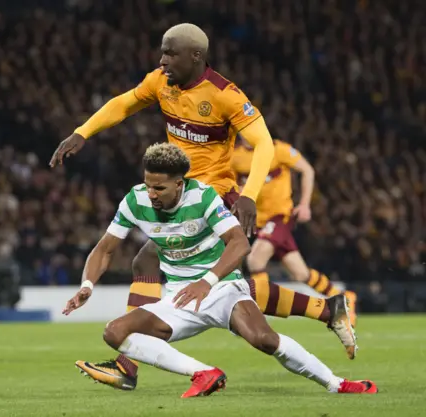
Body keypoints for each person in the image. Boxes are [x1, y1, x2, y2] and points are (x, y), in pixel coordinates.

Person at [50, 23, 356, 387]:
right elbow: (125, 103)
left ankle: (127, 365)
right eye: (162, 52)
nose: (162, 60)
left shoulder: (225, 94)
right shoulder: (161, 81)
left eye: (170, 53)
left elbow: (264, 144)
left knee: (154, 258)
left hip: (212, 194)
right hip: (181, 193)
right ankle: (327, 308)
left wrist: (248, 195)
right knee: (228, 283)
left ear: (196, 56)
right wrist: (83, 132)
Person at [63, 143, 376, 397]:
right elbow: (104, 248)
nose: (152, 194)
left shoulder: (203, 197)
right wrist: (87, 285)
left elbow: (238, 243)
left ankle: (337, 383)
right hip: (179, 299)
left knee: (264, 340)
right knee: (114, 331)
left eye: (159, 188)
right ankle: (204, 373)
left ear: (179, 182)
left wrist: (207, 281)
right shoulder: (136, 200)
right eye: (148, 185)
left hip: (223, 288)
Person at [233, 137, 359, 337]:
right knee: (300, 274)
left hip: (280, 216)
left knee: (255, 259)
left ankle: (257, 314)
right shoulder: (235, 156)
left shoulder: (278, 149)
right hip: (259, 222)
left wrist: (305, 204)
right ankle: (343, 297)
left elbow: (307, 170)